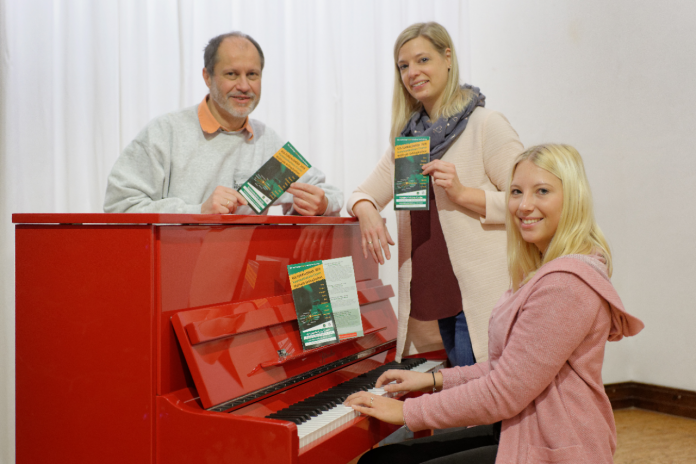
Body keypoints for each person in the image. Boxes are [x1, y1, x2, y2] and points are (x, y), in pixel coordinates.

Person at [345, 144, 645, 464]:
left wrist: (407, 410)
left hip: (554, 446)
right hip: (523, 428)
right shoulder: (544, 270)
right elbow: (511, 369)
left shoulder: (565, 285)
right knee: (385, 459)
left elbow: (503, 392)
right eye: (516, 191)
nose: (524, 205)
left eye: (542, 191)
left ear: (573, 199)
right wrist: (434, 380)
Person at [347, 22, 523, 367]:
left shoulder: (486, 125)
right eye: (403, 66)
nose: (413, 72)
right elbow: (361, 194)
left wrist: (463, 193)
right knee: (462, 403)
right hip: (436, 291)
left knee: (482, 405)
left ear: (447, 58)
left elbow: (527, 203)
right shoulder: (410, 139)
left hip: (481, 296)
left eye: (422, 60)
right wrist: (366, 210)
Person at [104, 32, 342, 216]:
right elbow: (120, 205)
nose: (244, 86)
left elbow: (325, 192)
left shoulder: (265, 141)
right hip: (172, 271)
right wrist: (197, 212)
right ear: (207, 77)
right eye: (231, 74)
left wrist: (321, 204)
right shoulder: (165, 133)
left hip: (244, 273)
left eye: (252, 74)